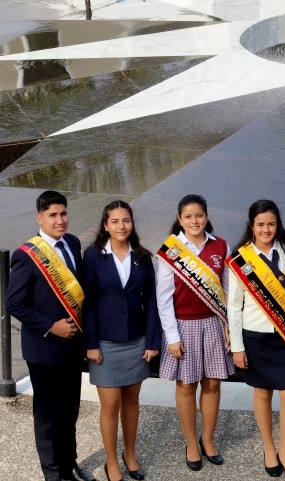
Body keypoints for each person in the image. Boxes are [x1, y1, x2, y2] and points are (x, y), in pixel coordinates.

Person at [6, 190, 96, 481]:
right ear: (39, 217)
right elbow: (14, 303)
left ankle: (69, 463)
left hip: (71, 347)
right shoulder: (25, 255)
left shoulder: (71, 243)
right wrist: (50, 325)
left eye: (63, 214)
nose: (60, 221)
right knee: (47, 416)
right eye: (53, 215)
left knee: (69, 410)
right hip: (44, 349)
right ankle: (54, 474)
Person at [82, 201, 161, 481]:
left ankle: (130, 454)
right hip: (104, 342)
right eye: (114, 221)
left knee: (132, 402)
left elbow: (151, 302)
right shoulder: (93, 256)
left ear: (131, 223)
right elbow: (87, 302)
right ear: (105, 225)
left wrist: (153, 342)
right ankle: (111, 461)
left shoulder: (142, 256)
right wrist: (90, 344)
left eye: (125, 220)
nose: (121, 226)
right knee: (110, 404)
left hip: (137, 341)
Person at [155, 194, 233, 471]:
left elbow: (227, 291)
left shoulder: (220, 245)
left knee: (212, 383)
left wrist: (229, 327)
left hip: (213, 322)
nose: (194, 221)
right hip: (183, 325)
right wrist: (172, 336)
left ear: (206, 216)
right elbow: (163, 297)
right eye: (188, 217)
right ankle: (190, 442)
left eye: (199, 215)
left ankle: (208, 439)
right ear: (180, 219)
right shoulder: (172, 250)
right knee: (186, 385)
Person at [227, 200, 285, 481]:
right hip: (255, 335)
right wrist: (237, 346)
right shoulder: (241, 258)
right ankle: (269, 448)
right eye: (260, 224)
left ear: (277, 225)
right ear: (252, 226)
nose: (266, 229)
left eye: (271, 224)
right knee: (262, 392)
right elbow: (234, 306)